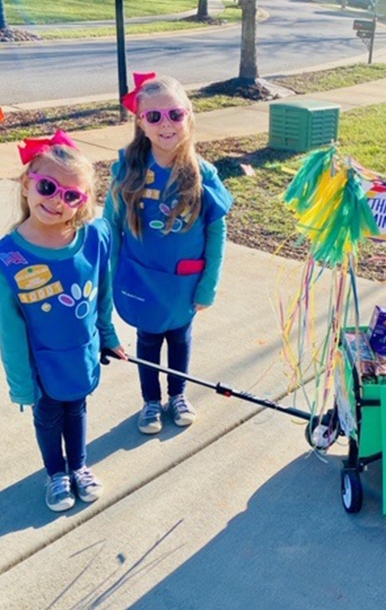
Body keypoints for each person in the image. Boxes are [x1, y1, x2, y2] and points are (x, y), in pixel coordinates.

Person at [0, 131, 126, 512]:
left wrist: (107, 335)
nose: (57, 201)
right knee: (50, 414)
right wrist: (22, 383)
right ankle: (56, 473)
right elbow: (9, 329)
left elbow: (102, 294)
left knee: (78, 408)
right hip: (42, 363)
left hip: (81, 353)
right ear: (26, 184)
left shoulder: (93, 239)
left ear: (82, 202)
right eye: (48, 187)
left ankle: (80, 466)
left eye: (71, 195)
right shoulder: (8, 258)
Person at [105, 73, 233, 435]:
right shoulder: (128, 171)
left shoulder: (202, 173)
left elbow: (216, 231)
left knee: (179, 338)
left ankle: (177, 394)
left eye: (175, 114)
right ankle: (150, 400)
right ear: (141, 123)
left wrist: (208, 286)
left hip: (184, 283)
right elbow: (110, 229)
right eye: (154, 116)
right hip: (141, 279)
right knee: (147, 341)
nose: (166, 124)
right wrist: (109, 276)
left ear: (189, 117)